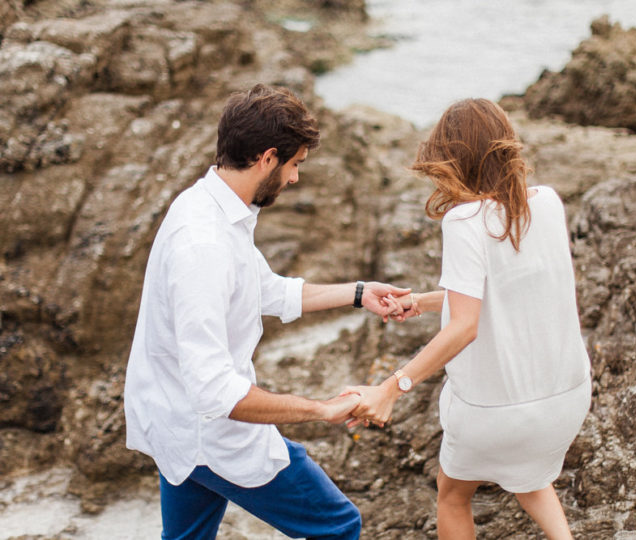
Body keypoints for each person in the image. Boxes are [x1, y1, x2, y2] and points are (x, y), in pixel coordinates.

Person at [124, 84, 412, 540]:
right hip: (211, 434)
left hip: (173, 421)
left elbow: (266, 291)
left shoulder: (210, 206)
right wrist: (321, 411)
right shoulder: (204, 243)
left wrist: (359, 293)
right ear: (267, 158)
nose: (295, 178)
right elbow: (216, 392)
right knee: (338, 525)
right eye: (295, 164)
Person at [346, 98, 592, 539]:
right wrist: (420, 302)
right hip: (567, 400)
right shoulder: (549, 205)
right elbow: (503, 291)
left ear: (453, 159)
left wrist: (391, 388)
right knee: (531, 475)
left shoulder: (464, 220)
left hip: (496, 415)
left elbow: (466, 324)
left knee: (453, 493)